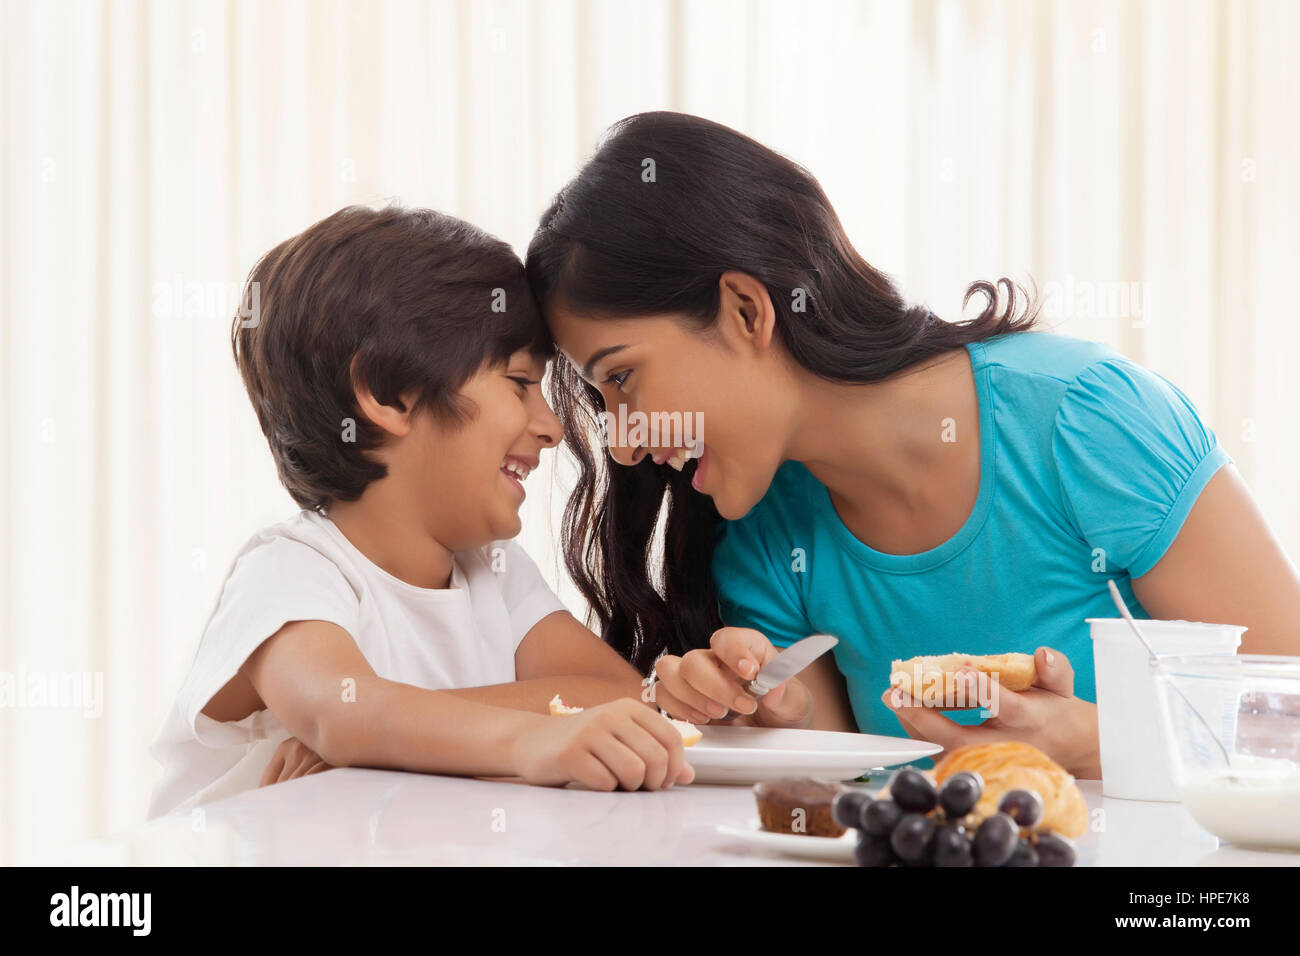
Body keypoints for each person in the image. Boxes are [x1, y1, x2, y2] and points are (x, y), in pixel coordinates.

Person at [525, 111, 1300, 777]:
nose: (621, 446)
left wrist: (1097, 746)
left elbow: (1290, 718)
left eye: (621, 377)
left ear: (746, 311)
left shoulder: (1085, 424)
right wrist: (755, 719)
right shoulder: (765, 536)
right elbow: (843, 785)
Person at [147, 204, 692, 819]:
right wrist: (532, 735)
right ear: (389, 395)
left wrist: (390, 741)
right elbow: (341, 711)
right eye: (518, 383)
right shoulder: (292, 570)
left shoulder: (494, 570)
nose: (553, 427)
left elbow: (618, 695)